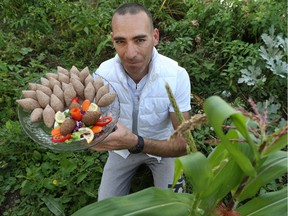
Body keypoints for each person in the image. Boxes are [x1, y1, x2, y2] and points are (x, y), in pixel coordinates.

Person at [91, 2, 191, 201]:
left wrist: (137, 142)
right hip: (120, 150)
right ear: (112, 40)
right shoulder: (103, 74)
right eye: (121, 41)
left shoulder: (176, 76)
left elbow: (183, 145)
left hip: (164, 150)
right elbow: (93, 118)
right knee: (103, 208)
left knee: (178, 207)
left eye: (139, 40)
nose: (130, 53)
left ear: (155, 37)